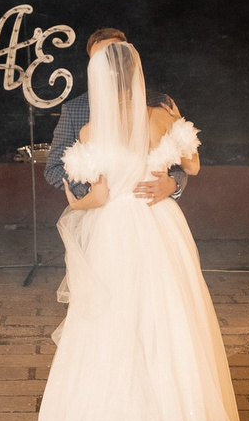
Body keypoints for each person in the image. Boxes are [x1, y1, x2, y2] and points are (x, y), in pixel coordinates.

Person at [34, 40, 244, 421]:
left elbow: (93, 197)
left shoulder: (91, 132)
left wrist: (78, 201)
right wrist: (168, 162)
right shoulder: (160, 117)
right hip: (157, 222)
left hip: (114, 228)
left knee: (113, 319)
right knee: (168, 316)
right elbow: (194, 165)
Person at [45, 27, 184, 304]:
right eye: (103, 57)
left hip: (154, 216)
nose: (112, 63)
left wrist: (173, 183)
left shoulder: (158, 103)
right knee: (111, 296)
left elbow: (181, 157)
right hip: (105, 221)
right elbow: (54, 168)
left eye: (117, 54)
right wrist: (94, 188)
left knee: (157, 295)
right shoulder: (75, 109)